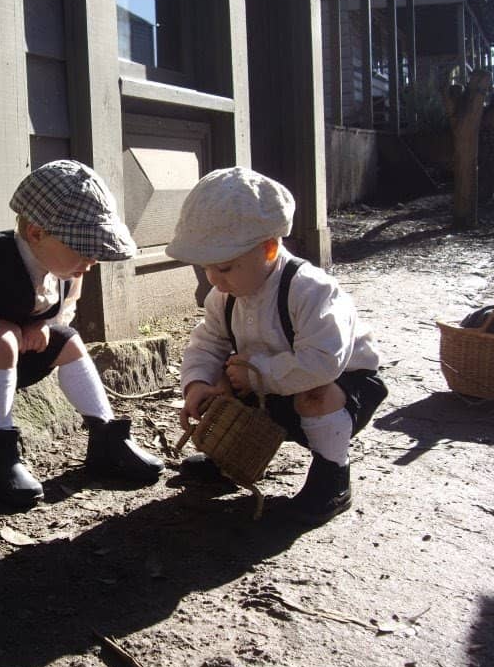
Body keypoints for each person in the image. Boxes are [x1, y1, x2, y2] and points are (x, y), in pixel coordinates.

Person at [0, 160, 164, 508]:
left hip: (7, 363)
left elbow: (63, 313)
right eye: (83, 247)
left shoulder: (69, 269)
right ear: (37, 233)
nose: (91, 260)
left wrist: (41, 325)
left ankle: (106, 439)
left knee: (68, 339)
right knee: (1, 341)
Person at [165, 167, 387, 524]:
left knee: (316, 393)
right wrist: (198, 383)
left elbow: (324, 361)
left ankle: (333, 474)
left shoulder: (312, 290)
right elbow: (207, 343)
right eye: (206, 269)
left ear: (268, 248)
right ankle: (231, 457)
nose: (214, 280)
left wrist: (259, 376)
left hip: (341, 389)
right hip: (266, 384)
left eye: (224, 267)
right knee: (226, 377)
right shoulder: (224, 296)